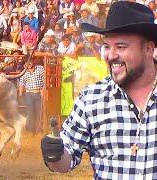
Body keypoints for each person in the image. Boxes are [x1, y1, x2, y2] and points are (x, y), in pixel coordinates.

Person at [41, 2, 157, 178]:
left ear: (148, 49)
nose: (110, 56)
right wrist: (55, 154)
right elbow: (67, 157)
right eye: (107, 46)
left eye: (121, 47)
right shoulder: (91, 99)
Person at [19, 59, 44, 135]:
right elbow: (21, 83)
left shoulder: (40, 68)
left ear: (33, 61)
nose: (28, 63)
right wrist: (20, 94)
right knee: (30, 112)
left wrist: (43, 89)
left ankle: (38, 130)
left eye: (30, 61)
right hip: (29, 93)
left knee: (39, 112)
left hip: (39, 92)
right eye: (26, 62)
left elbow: (45, 79)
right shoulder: (24, 72)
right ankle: (30, 130)